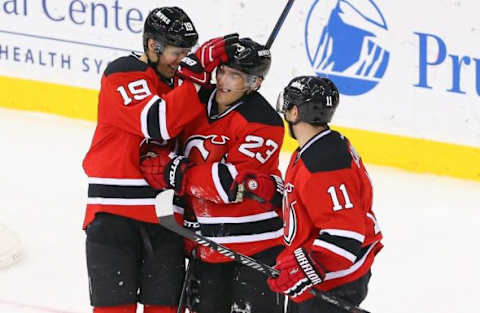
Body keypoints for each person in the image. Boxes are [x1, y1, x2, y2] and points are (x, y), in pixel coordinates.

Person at [82, 7, 238, 313]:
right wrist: (195, 79)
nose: (182, 60)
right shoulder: (123, 72)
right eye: (177, 53)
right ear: (153, 46)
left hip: (166, 218)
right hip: (115, 215)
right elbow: (156, 122)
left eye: (187, 53)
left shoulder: (182, 86)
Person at [140, 38, 286, 313]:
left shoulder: (264, 122)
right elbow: (161, 134)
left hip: (255, 245)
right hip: (205, 243)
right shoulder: (198, 99)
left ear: (254, 84)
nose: (223, 80)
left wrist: (175, 171)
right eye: (222, 70)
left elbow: (228, 183)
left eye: (235, 76)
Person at [239, 75, 384, 312]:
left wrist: (306, 268)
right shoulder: (320, 145)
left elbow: (345, 234)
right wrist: (276, 194)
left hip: (335, 279)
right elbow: (314, 204)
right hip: (323, 274)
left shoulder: (324, 163)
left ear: (294, 113)